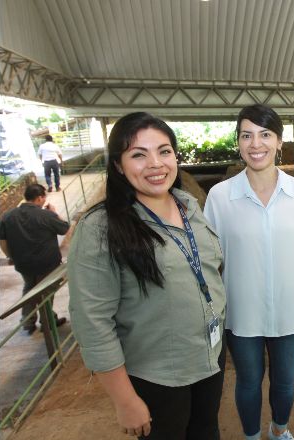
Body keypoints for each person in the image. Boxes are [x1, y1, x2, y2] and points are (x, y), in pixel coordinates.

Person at [67, 112, 227, 439]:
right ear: (118, 166)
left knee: (206, 431)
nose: (156, 163)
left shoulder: (190, 206)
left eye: (164, 151)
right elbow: (92, 319)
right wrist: (125, 400)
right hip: (157, 375)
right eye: (139, 155)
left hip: (208, 357)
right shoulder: (101, 227)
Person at [203, 104, 294, 440]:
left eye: (265, 134)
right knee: (248, 381)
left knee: (285, 381)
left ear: (279, 141)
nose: (256, 144)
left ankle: (279, 430)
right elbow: (212, 262)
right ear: (238, 143)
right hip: (242, 313)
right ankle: (252, 435)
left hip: (291, 311)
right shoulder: (220, 197)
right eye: (247, 135)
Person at [0, 183, 70, 334]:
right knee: (45, 293)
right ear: (39, 198)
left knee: (29, 289)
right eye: (44, 197)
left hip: (23, 263)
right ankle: (47, 322)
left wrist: (10, 256)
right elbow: (64, 228)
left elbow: (2, 241)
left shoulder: (8, 216)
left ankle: (27, 321)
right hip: (47, 263)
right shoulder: (46, 215)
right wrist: (55, 213)